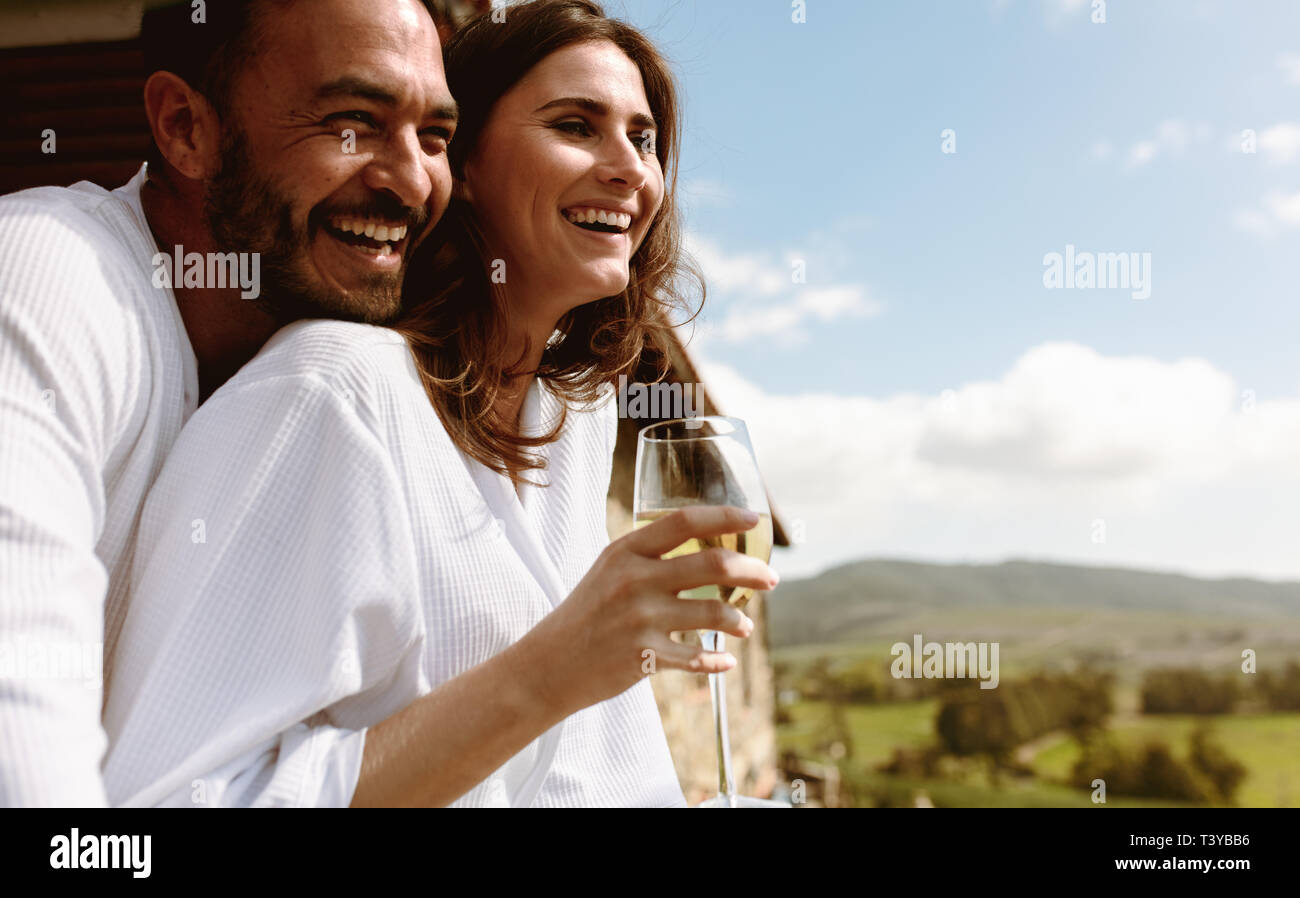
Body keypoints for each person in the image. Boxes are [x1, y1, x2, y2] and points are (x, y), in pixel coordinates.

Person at [102, 0, 778, 808]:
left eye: (644, 138)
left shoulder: (577, 421)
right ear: (466, 168)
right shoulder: (330, 393)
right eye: (575, 125)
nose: (631, 170)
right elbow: (156, 807)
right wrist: (548, 673)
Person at [0, 0, 456, 806]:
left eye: (435, 135)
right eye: (352, 122)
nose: (413, 179)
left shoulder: (314, 379)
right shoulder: (49, 275)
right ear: (184, 128)